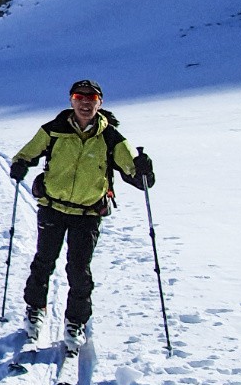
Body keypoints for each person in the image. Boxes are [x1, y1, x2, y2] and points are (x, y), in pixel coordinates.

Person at [9, 80, 154, 350]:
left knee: (78, 270)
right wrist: (19, 165)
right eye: (79, 97)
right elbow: (27, 153)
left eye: (91, 98)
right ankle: (35, 310)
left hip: (87, 214)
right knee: (43, 261)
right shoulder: (53, 130)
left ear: (100, 102)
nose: (85, 103)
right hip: (52, 207)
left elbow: (134, 173)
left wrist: (144, 171)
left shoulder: (111, 138)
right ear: (71, 100)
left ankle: (75, 321)